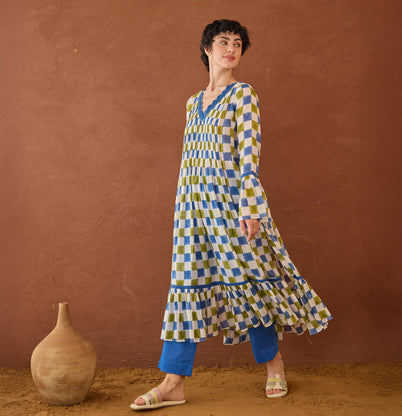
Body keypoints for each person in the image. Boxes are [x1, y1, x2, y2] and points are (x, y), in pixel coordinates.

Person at [131, 19, 333, 411]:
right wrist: (185, 208)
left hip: (231, 207)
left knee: (249, 282)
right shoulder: (193, 103)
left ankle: (274, 366)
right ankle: (173, 383)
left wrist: (250, 207)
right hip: (192, 210)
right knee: (186, 287)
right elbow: (190, 161)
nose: (231, 49)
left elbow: (249, 154)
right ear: (207, 49)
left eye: (238, 43)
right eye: (223, 42)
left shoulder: (243, 95)